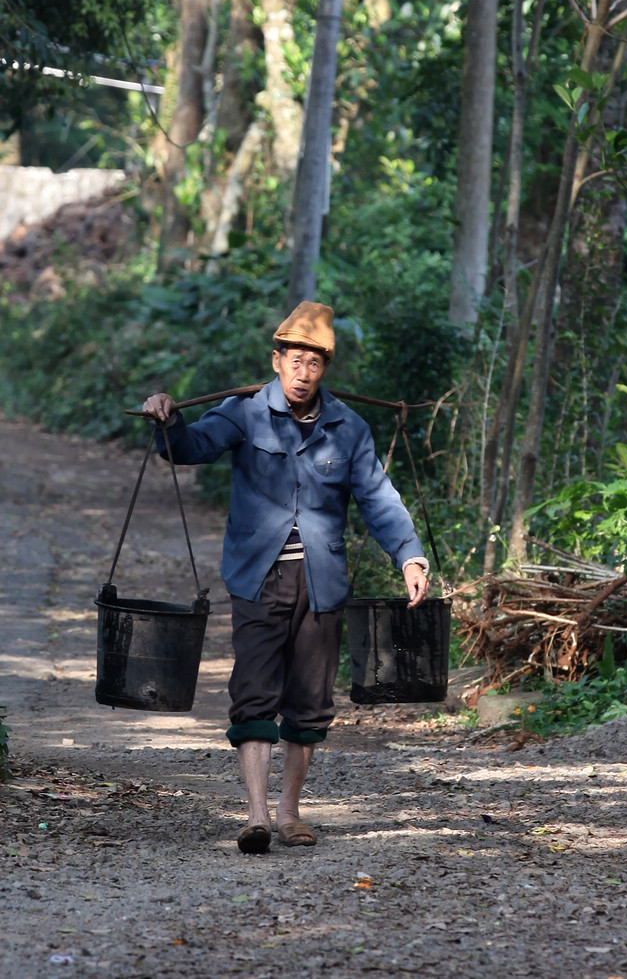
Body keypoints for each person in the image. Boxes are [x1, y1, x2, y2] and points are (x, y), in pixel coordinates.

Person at [142, 301, 429, 854]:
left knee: (309, 701)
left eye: (313, 364)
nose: (303, 372)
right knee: (253, 694)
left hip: (321, 582)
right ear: (276, 361)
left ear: (325, 370)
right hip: (258, 577)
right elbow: (190, 447)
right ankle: (254, 816)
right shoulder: (244, 413)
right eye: (293, 360)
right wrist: (167, 417)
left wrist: (410, 557)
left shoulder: (348, 428)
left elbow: (378, 497)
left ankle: (290, 812)